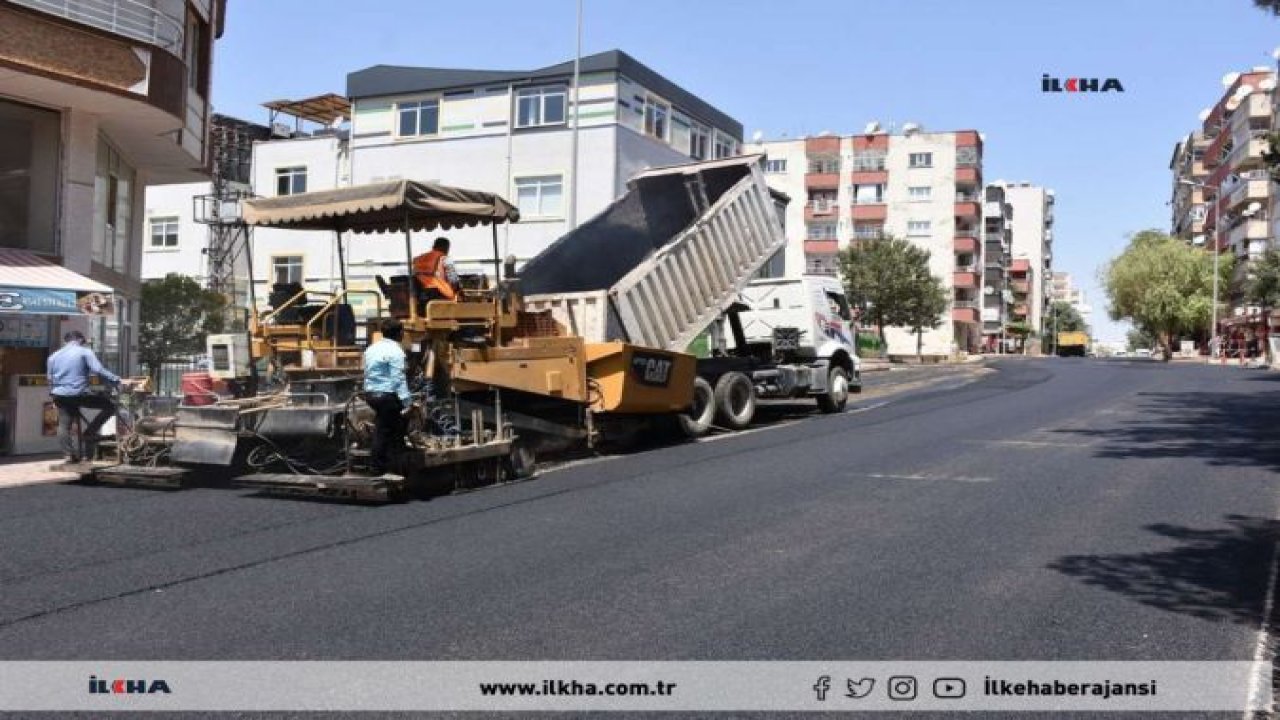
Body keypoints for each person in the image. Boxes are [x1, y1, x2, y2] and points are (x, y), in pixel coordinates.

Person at [46, 330, 121, 463]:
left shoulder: (53, 356)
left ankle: (68, 455)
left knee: (64, 425)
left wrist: (53, 396)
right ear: (80, 340)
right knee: (110, 406)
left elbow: (50, 379)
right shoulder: (85, 351)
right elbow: (98, 370)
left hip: (60, 395)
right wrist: (117, 380)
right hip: (79, 394)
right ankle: (90, 432)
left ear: (66, 341)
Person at [362, 318, 412, 476]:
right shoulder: (396, 352)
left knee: (390, 425)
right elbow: (398, 379)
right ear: (400, 333)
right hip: (386, 396)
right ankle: (378, 467)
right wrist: (407, 402)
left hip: (370, 394)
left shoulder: (371, 349)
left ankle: (392, 461)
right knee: (385, 430)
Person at [412, 236, 461, 307]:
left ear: (434, 246)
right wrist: (459, 290)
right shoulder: (445, 258)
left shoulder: (418, 259)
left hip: (419, 295)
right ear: (445, 248)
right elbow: (453, 280)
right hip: (439, 295)